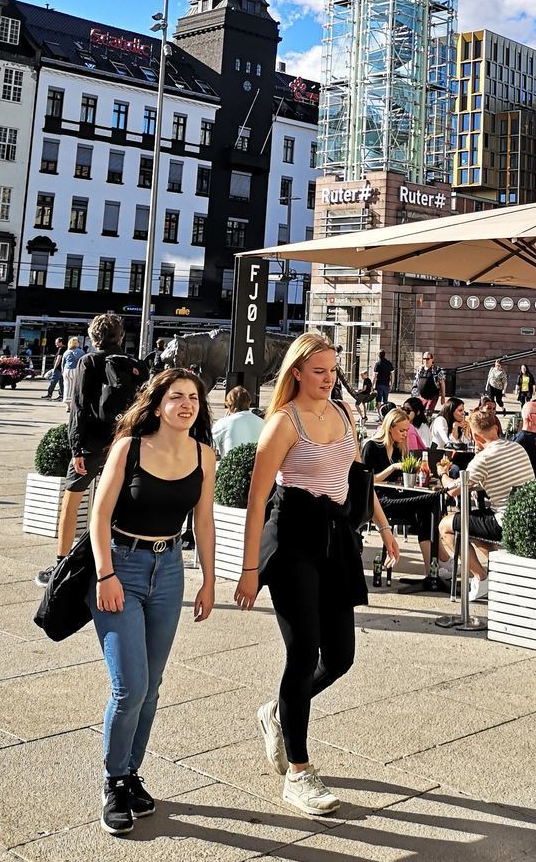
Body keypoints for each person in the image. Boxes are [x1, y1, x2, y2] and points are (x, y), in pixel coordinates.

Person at [234, 333, 399, 818]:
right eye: (319, 371)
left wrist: (386, 531)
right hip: (292, 540)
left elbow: (356, 481)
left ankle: (278, 712)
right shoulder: (283, 423)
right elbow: (256, 500)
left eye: (333, 370)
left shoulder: (345, 414)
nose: (328, 379)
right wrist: (248, 570)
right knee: (303, 653)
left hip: (335, 538)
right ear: (297, 373)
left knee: (341, 657)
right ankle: (299, 774)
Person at [88, 368, 216, 836]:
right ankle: (113, 779)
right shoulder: (130, 448)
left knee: (153, 685)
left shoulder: (204, 454)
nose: (186, 405)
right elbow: (98, 516)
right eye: (177, 397)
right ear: (157, 403)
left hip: (169, 573)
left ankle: (130, 773)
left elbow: (203, 521)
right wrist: (106, 574)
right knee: (130, 687)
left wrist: (208, 579)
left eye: (194, 399)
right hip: (121, 566)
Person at [36, 314, 149, 589]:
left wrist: (76, 447)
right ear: (120, 336)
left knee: (72, 502)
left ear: (92, 337)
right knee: (115, 505)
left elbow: (79, 407)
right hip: (124, 443)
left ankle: (62, 565)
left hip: (92, 444)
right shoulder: (135, 365)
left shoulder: (89, 361)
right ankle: (112, 564)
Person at [437, 406, 534, 601]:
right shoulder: (517, 447)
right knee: (474, 527)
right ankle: (500, 575)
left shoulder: (483, 459)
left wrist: (442, 474)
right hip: (525, 516)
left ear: (475, 436)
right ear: (496, 428)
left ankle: (481, 577)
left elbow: (453, 489)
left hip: (504, 521)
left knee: (446, 525)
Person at [361, 407, 440, 579]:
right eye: (402, 430)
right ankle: (435, 563)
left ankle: (433, 565)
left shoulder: (398, 448)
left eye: (407, 430)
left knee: (429, 504)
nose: (405, 434)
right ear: (390, 428)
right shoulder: (371, 446)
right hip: (377, 501)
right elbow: (367, 482)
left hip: (396, 496)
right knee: (426, 504)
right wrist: (392, 468)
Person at [212, 386, 264, 457]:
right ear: (249, 402)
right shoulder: (262, 422)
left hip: (231, 466)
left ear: (229, 404)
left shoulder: (223, 423)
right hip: (257, 466)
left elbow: (209, 446)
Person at [62, 336, 85, 410]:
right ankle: (73, 404)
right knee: (75, 388)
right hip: (76, 370)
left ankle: (67, 406)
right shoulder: (81, 352)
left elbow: (63, 363)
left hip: (67, 371)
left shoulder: (66, 352)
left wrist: (63, 371)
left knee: (67, 387)